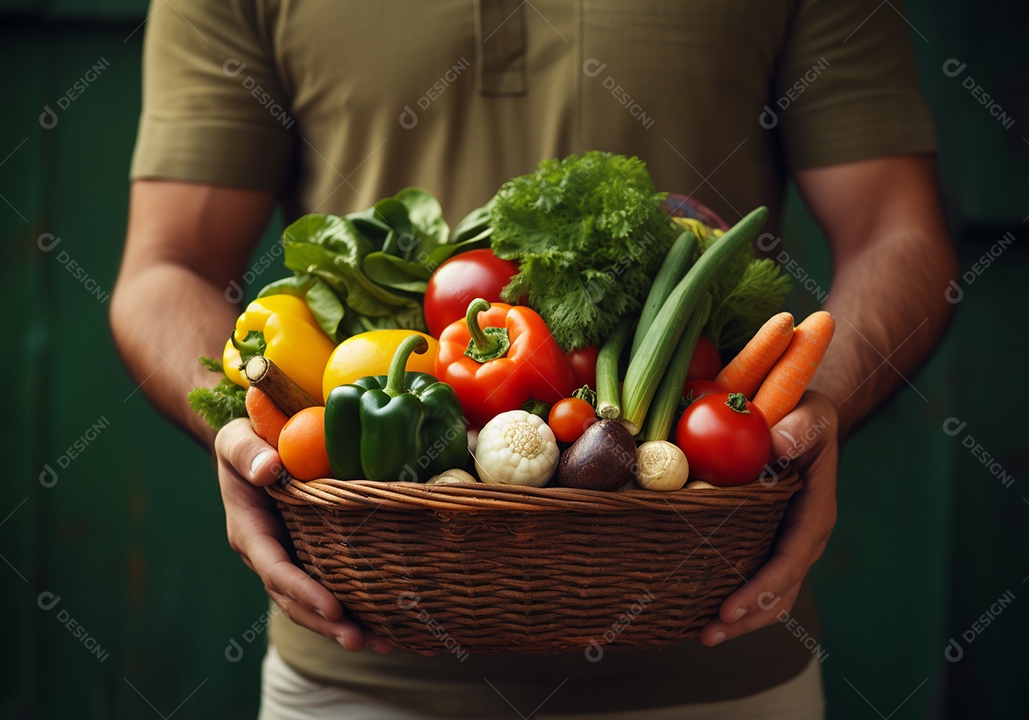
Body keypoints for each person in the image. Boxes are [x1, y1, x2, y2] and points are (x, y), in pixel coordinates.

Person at [111, 1, 959, 718]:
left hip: (715, 653)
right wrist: (242, 419)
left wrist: (819, 402)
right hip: (359, 662)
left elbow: (899, 231)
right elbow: (163, 270)